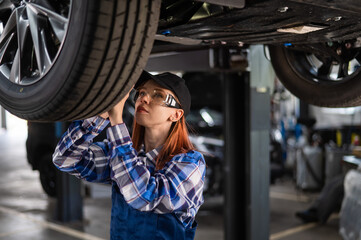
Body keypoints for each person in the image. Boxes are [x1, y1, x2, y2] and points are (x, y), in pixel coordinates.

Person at [52, 71, 206, 240]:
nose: (144, 98)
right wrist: (101, 115)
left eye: (158, 95)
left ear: (176, 114)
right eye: (141, 93)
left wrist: (116, 121)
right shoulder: (120, 153)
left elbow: (143, 196)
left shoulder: (191, 163)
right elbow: (64, 158)